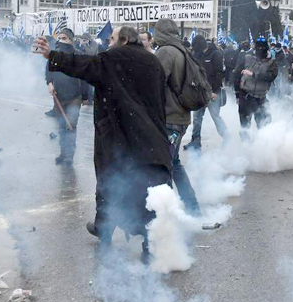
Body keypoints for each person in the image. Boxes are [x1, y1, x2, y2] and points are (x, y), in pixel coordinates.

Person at [33, 27, 171, 259]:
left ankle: (104, 229)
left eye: (112, 39)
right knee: (149, 189)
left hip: (119, 134)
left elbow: (84, 65)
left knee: (110, 181)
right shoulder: (153, 62)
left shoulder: (113, 58)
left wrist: (52, 56)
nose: (108, 43)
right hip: (150, 136)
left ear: (124, 40)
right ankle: (151, 242)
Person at [154, 19, 201, 216]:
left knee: (164, 166)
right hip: (180, 115)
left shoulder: (165, 52)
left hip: (170, 117)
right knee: (173, 163)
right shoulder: (182, 50)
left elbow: (155, 83)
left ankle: (166, 214)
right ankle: (192, 208)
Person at [46, 28, 89, 165]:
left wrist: (85, 96)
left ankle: (69, 155)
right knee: (61, 125)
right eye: (60, 38)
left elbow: (85, 77)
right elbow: (48, 71)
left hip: (74, 96)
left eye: (64, 38)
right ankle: (63, 153)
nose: (61, 40)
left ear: (71, 40)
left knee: (70, 125)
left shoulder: (78, 55)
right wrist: (49, 83)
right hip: (58, 95)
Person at [183, 35, 228, 151]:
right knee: (197, 118)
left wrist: (214, 91)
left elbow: (220, 74)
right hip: (200, 92)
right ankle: (195, 141)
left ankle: (228, 138)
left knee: (215, 117)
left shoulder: (216, 54)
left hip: (213, 93)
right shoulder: (197, 55)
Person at [232, 37, 278, 138]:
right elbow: (236, 75)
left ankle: (262, 148)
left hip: (261, 98)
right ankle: (246, 148)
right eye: (259, 47)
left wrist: (253, 74)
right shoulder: (246, 57)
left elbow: (271, 77)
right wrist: (237, 94)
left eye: (263, 47)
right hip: (246, 96)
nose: (260, 50)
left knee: (264, 127)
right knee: (245, 127)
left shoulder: (272, 61)